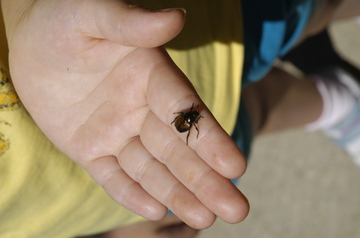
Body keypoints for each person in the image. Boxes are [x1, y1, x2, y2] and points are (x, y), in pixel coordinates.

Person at [0, 0, 359, 237]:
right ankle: (337, 102)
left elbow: (186, 119)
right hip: (125, 173)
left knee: (297, 10)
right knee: (249, 121)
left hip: (192, 34)